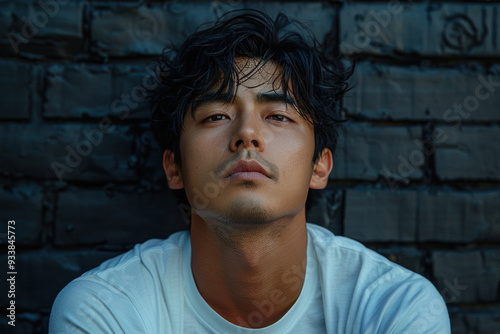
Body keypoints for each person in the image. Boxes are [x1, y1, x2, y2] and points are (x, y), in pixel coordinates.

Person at [49, 10, 451, 333]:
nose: (247, 135)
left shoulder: (395, 307)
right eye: (216, 115)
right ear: (174, 167)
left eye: (277, 115)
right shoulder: (104, 308)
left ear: (319, 166)